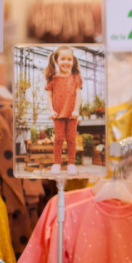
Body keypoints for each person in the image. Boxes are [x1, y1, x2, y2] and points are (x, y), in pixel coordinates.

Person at [44, 46, 83, 175]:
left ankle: (71, 164)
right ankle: (57, 164)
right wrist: (51, 111)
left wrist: (76, 110)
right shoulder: (53, 79)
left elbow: (78, 95)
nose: (66, 62)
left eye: (69, 59)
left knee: (71, 139)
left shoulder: (76, 78)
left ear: (73, 61)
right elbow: (49, 96)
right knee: (58, 139)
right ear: (56, 60)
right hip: (58, 114)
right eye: (63, 59)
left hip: (72, 115)